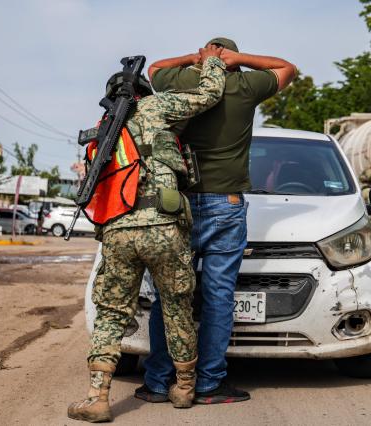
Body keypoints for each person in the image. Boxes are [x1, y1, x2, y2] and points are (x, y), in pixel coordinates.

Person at [67, 46, 226, 423]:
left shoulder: (103, 133)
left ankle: (97, 396)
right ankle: (185, 388)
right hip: (163, 227)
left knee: (110, 313)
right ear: (144, 91)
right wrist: (212, 62)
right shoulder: (157, 108)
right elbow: (210, 95)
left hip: (118, 231)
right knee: (176, 307)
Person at [137, 38, 297, 404]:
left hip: (179, 206)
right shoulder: (243, 86)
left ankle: (160, 381)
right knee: (219, 295)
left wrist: (195, 58)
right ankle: (209, 382)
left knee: (170, 294)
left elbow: (155, 68)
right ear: (231, 63)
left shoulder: (182, 84)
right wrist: (237, 59)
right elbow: (287, 67)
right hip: (226, 206)